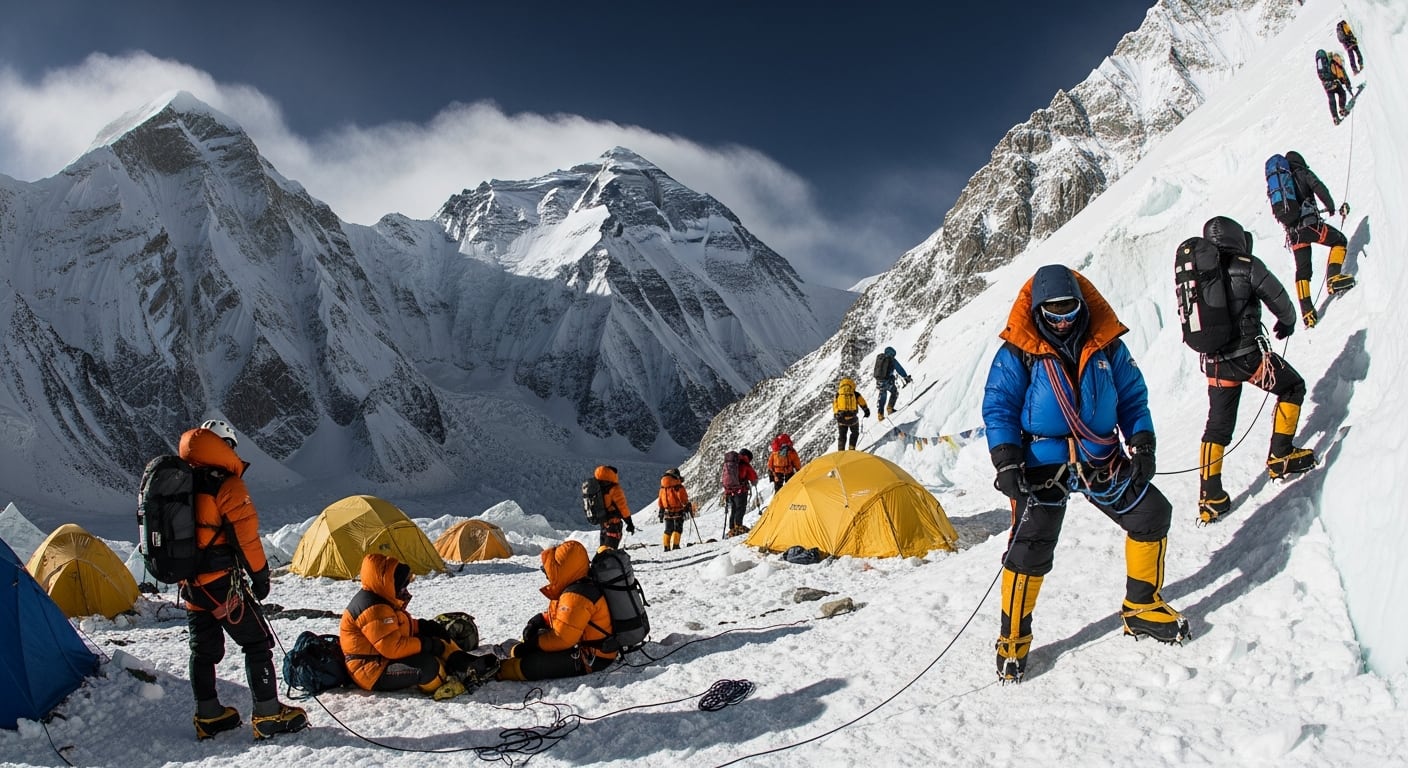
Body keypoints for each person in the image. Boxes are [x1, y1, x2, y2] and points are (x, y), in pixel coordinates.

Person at [983, 265, 1188, 683]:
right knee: (1030, 547)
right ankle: (1013, 641)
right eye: (1053, 313)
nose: (1062, 321)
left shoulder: (1107, 345)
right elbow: (999, 406)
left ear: (1082, 305)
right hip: (1041, 463)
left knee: (1151, 514)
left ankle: (1142, 606)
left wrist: (1142, 442)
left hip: (1100, 456)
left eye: (1070, 310)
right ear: (1038, 311)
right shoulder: (1018, 351)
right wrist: (1006, 460)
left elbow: (1132, 397)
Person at [179, 420, 308, 741]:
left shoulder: (181, 481)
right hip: (221, 583)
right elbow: (246, 538)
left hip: (191, 584)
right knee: (257, 642)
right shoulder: (227, 484)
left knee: (203, 650)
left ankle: (208, 715)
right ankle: (268, 714)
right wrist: (260, 577)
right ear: (224, 446)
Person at [1192, 217, 1316, 523]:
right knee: (1292, 387)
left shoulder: (1199, 272)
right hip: (1249, 359)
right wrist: (1287, 322)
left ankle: (1210, 497)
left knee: (1217, 427)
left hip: (1215, 364)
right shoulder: (1246, 265)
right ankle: (1281, 455)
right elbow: (1279, 300)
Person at [340, 553, 498, 700]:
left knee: (438, 638)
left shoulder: (383, 598)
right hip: (371, 671)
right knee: (429, 666)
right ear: (388, 583)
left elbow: (399, 626)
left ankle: (466, 664)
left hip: (382, 659)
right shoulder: (373, 609)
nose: (405, 589)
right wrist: (427, 644)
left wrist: (423, 626)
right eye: (402, 585)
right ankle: (450, 680)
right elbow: (392, 647)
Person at [495, 540, 617, 681]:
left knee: (526, 665)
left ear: (562, 569)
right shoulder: (578, 585)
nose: (547, 574)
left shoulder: (577, 596)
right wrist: (542, 619)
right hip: (585, 645)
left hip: (593, 657)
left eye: (549, 569)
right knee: (532, 645)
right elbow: (565, 619)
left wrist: (534, 645)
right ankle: (514, 653)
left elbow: (562, 639)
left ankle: (499, 670)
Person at [1279, 150, 1354, 328]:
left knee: (1303, 271)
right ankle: (1333, 278)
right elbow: (1318, 187)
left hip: (1294, 234)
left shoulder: (1282, 185)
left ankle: (1307, 313)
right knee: (1339, 241)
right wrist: (1331, 206)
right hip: (1311, 226)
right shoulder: (1302, 172)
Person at [591, 465, 634, 551]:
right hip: (613, 524)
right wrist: (629, 523)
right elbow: (622, 507)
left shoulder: (596, 487)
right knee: (610, 550)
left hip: (603, 523)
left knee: (603, 548)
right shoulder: (614, 488)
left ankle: (601, 558)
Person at [723, 448, 759, 538]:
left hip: (730, 491)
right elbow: (753, 477)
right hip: (741, 491)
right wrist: (754, 482)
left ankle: (732, 528)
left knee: (734, 509)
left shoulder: (730, 463)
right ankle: (738, 527)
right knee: (740, 509)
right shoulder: (745, 464)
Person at [657, 468, 694, 551]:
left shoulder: (662, 488)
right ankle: (676, 545)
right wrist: (687, 505)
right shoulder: (678, 486)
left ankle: (666, 547)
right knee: (678, 528)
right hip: (678, 510)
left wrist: (661, 511)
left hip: (667, 511)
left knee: (668, 529)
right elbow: (683, 498)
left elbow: (660, 501)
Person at [872, 347, 913, 420]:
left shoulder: (880, 358)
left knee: (882, 395)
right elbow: (899, 369)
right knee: (894, 392)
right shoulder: (892, 360)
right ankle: (890, 408)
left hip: (879, 382)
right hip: (887, 382)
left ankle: (880, 415)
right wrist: (906, 377)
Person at [832, 378, 872, 451]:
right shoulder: (855, 394)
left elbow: (835, 405)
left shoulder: (838, 394)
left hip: (841, 419)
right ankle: (851, 447)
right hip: (852, 418)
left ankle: (840, 451)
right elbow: (862, 403)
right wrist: (866, 410)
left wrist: (836, 414)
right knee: (855, 433)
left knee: (842, 436)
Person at [1315, 49, 1351, 125]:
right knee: (1342, 93)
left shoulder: (1320, 65)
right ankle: (1342, 109)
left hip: (1326, 84)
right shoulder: (1332, 61)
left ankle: (1335, 117)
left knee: (1331, 100)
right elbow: (1339, 73)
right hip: (1333, 81)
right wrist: (1347, 85)